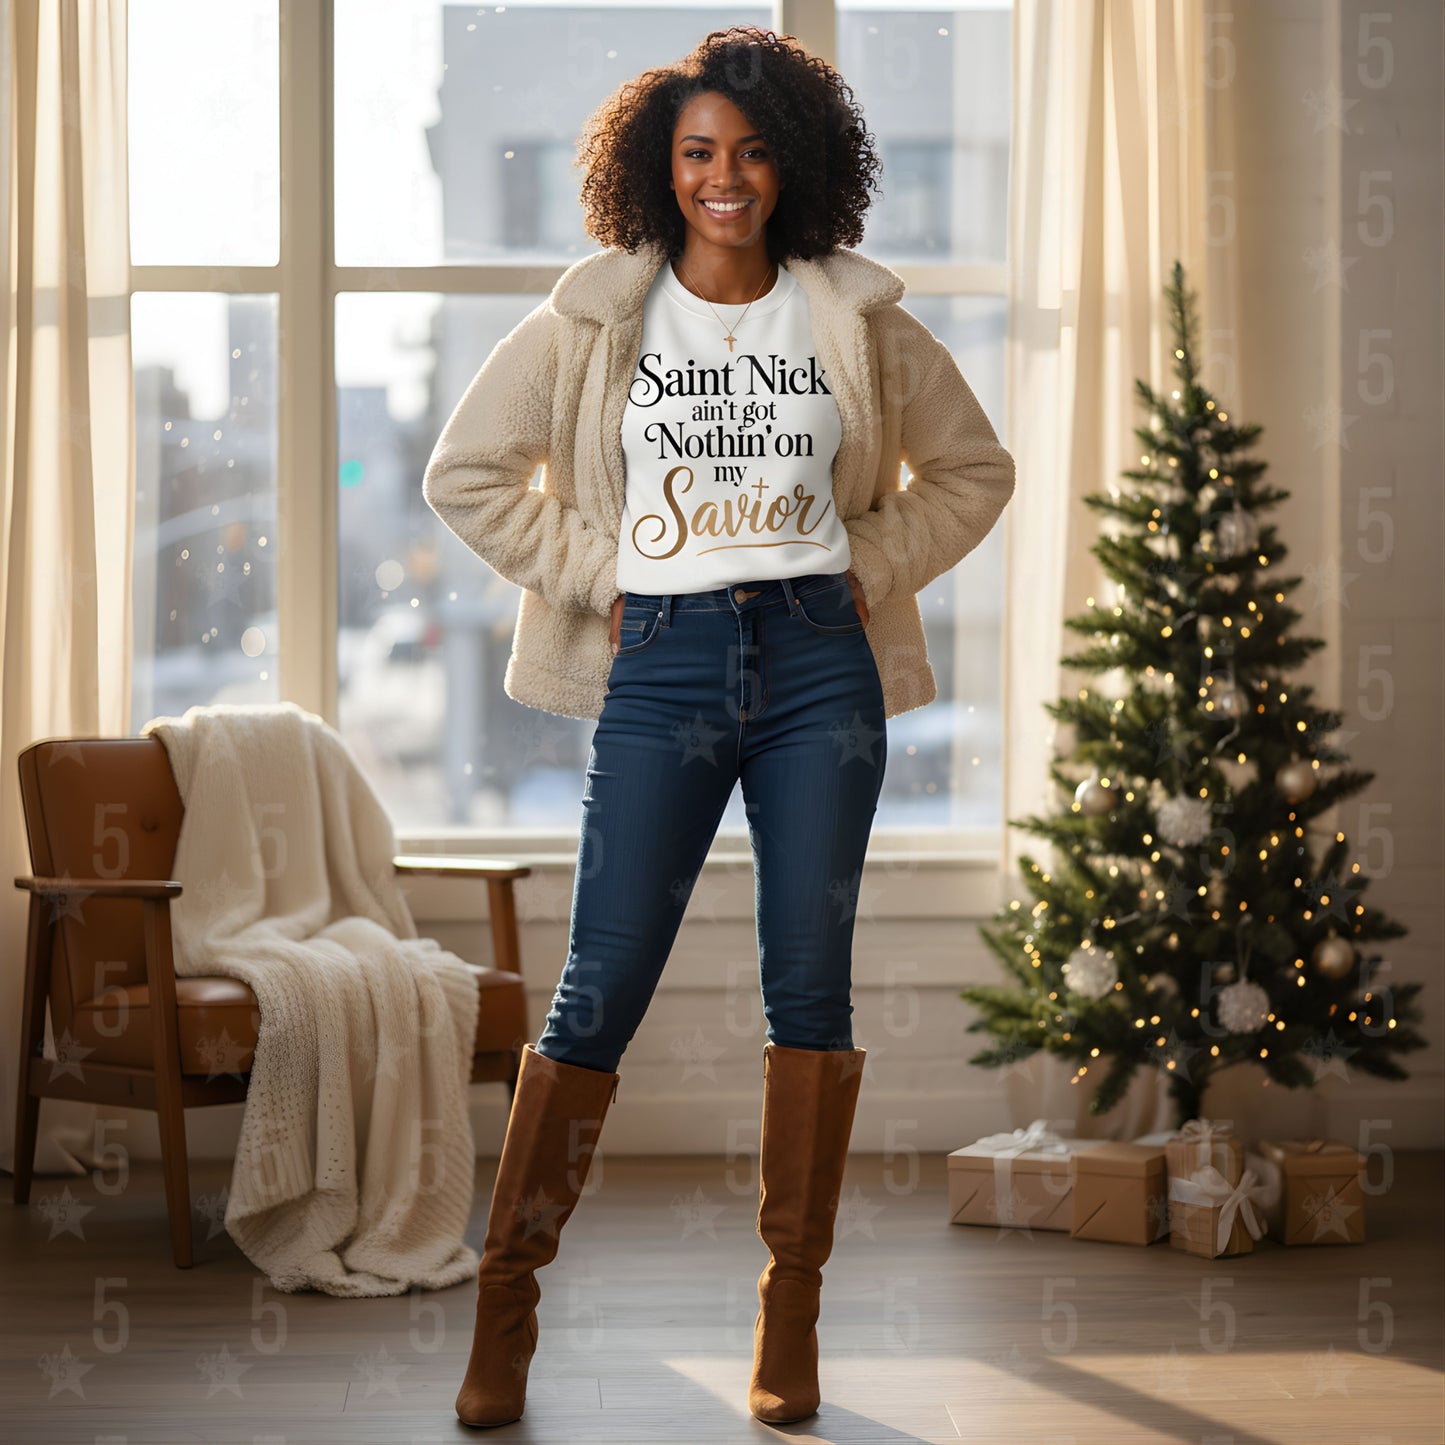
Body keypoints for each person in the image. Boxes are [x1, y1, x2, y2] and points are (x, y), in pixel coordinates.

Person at [423, 25, 1016, 1430]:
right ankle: (505, 1302)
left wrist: (866, 567)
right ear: (659, 166)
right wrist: (596, 571)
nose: (724, 178)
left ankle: (789, 1311)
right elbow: (467, 472)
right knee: (597, 990)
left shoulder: (852, 317)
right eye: (697, 153)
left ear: (793, 165)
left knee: (806, 991)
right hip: (665, 667)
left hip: (820, 666)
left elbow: (973, 469)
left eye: (750, 153)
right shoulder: (594, 318)